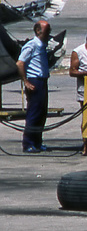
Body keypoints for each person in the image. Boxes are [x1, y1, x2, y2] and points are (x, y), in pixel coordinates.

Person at [15, 20, 52, 153]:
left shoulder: (42, 45)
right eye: (47, 30)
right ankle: (28, 143)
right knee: (34, 113)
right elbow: (20, 63)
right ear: (38, 31)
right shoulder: (32, 45)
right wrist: (25, 81)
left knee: (42, 113)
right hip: (34, 81)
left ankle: (37, 141)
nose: (49, 33)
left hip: (42, 80)